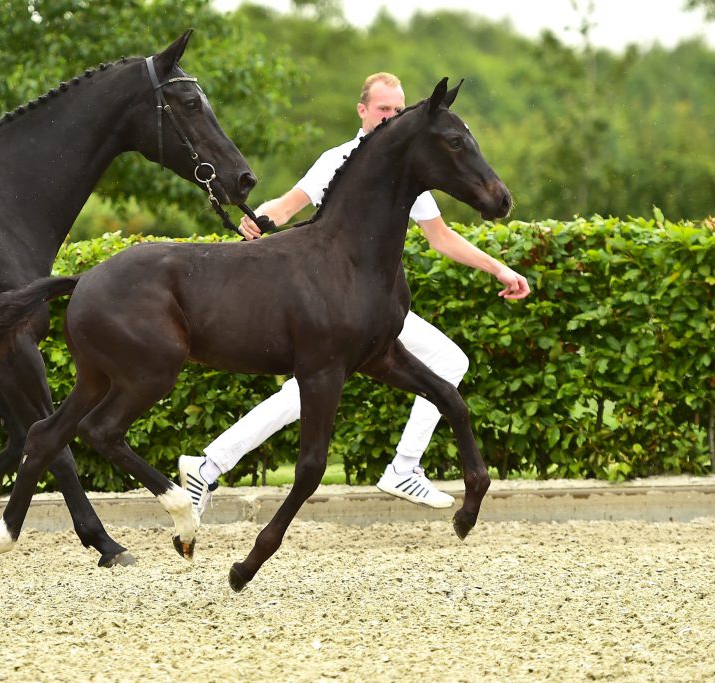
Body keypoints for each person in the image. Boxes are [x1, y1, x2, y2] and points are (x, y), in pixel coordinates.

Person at [178, 72, 530, 516]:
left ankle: (400, 467)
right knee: (303, 394)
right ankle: (208, 467)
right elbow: (285, 207)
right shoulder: (339, 159)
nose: (391, 116)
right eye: (383, 109)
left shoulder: (407, 163)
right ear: (362, 111)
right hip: (332, 306)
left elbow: (440, 237)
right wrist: (257, 219)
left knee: (448, 362)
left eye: (397, 110)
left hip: (374, 308)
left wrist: (500, 268)